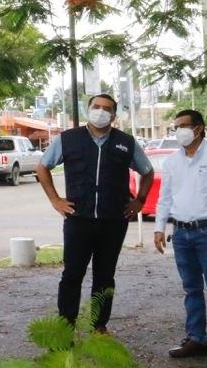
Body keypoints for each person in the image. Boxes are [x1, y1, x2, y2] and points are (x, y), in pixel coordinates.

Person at [36, 93, 154, 333]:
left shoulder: (125, 142)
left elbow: (148, 171)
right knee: (72, 275)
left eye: (107, 108)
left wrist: (140, 200)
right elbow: (42, 167)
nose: (101, 111)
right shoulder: (69, 139)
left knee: (105, 276)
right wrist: (55, 200)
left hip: (113, 221)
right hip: (79, 220)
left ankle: (98, 326)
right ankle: (65, 327)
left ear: (113, 114)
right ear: (88, 108)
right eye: (96, 107)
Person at [153, 109, 207, 364]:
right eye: (176, 126)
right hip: (181, 233)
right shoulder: (172, 162)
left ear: (199, 128)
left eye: (183, 126)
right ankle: (196, 340)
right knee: (191, 289)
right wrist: (159, 228)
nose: (179, 131)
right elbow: (165, 198)